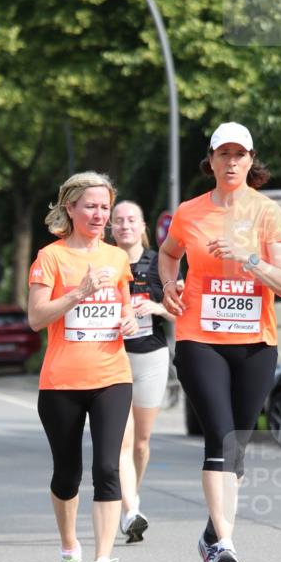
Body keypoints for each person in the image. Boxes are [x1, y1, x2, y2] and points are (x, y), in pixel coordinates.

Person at [158, 122, 281, 562]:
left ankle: (211, 538)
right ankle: (225, 547)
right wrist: (168, 285)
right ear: (212, 160)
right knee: (219, 439)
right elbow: (168, 253)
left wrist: (248, 257)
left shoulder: (267, 213)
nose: (232, 162)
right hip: (200, 339)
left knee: (237, 447)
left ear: (251, 160)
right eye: (224, 154)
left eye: (240, 155)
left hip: (255, 342)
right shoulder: (190, 212)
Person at [28, 172, 138, 562]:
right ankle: (70, 552)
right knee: (67, 473)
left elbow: (122, 309)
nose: (99, 214)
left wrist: (129, 320)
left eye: (105, 207)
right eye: (90, 206)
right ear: (70, 208)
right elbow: (37, 318)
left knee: (108, 467)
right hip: (61, 381)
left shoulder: (117, 258)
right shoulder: (50, 258)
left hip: (112, 375)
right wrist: (79, 291)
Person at [110, 200, 174, 543]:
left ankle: (132, 498)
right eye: (118, 221)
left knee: (142, 443)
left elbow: (185, 311)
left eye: (131, 219)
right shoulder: (103, 262)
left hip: (151, 357)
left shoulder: (156, 263)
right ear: (111, 227)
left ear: (142, 225)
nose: (124, 226)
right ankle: (131, 509)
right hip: (113, 357)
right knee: (121, 440)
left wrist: (157, 307)